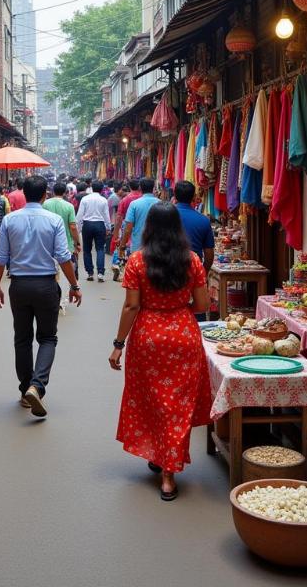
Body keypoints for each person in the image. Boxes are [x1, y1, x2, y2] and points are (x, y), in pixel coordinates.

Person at [109, 202, 211, 500]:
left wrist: (118, 344)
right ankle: (169, 471)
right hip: (183, 335)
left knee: (153, 399)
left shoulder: (137, 261)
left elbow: (132, 305)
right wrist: (178, 310)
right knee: (177, 405)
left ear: (149, 227)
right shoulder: (192, 260)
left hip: (148, 338)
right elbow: (203, 306)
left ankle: (161, 460)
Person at [0, 175, 82, 417]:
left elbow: (0, 257)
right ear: (45, 195)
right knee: (48, 338)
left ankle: (25, 391)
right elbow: (63, 256)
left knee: (22, 339)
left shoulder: (10, 220)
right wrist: (74, 285)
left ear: (24, 193)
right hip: (45, 286)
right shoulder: (53, 220)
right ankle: (37, 386)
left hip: (19, 286)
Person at [173, 181, 215, 272]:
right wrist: (203, 273)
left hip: (167, 269)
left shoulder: (163, 216)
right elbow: (209, 255)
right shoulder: (203, 220)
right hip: (193, 271)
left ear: (175, 196)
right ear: (194, 197)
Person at [76, 180, 111, 282]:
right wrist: (108, 227)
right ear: (101, 189)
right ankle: (100, 273)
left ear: (90, 188)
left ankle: (90, 273)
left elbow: (79, 215)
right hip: (100, 224)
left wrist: (78, 228)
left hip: (87, 224)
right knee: (100, 249)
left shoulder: (85, 199)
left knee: (87, 249)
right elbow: (106, 215)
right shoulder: (103, 200)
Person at [44, 182, 81, 268]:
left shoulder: (45, 204)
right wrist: (77, 243)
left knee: (52, 269)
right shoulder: (69, 206)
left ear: (53, 192)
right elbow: (73, 227)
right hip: (66, 243)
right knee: (69, 267)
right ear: (65, 192)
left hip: (48, 242)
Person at [119, 177, 159, 257]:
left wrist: (122, 245)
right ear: (153, 188)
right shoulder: (160, 203)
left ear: (140, 187)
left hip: (138, 247)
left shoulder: (134, 204)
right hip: (157, 247)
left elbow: (128, 229)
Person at [111, 178, 141, 281]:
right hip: (141, 226)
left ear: (129, 187)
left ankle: (117, 264)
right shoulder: (142, 199)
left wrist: (115, 233)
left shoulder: (125, 200)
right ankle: (132, 269)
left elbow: (119, 217)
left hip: (126, 224)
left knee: (122, 245)